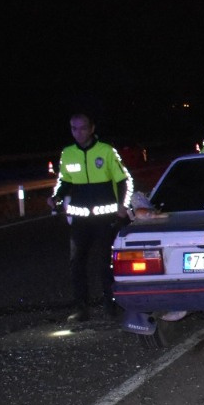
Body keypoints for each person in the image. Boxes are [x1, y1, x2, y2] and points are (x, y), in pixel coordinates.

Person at [46, 113, 132, 322]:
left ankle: (111, 306)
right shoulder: (68, 153)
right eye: (74, 128)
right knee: (76, 263)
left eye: (83, 128)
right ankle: (81, 309)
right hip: (80, 218)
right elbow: (65, 181)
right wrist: (56, 197)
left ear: (92, 128)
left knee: (105, 263)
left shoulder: (106, 151)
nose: (79, 133)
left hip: (105, 218)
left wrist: (123, 206)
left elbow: (124, 180)